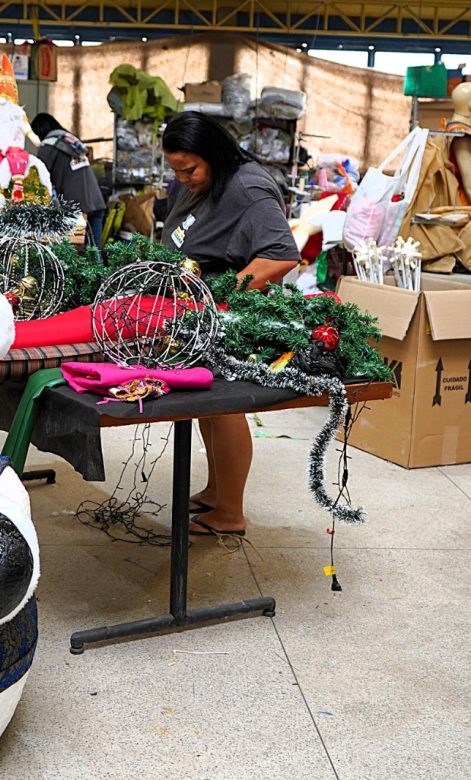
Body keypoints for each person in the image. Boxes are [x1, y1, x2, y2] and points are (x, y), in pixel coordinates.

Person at [160, 111, 299, 536]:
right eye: (175, 169)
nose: (183, 177)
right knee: (209, 408)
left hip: (226, 317)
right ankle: (217, 491)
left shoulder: (248, 187)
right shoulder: (210, 182)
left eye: (189, 169)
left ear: (214, 155)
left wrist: (222, 297)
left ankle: (231, 514)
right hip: (197, 315)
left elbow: (280, 254)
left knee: (225, 409)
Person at [31, 113, 107, 246]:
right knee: (95, 254)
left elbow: (40, 176)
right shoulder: (71, 141)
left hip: (76, 206)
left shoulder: (49, 146)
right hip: (96, 200)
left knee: (75, 254)